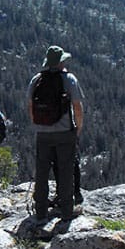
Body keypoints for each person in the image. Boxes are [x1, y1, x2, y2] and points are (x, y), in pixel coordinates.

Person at [27, 45, 84, 221]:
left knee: (42, 171)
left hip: (42, 133)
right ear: (61, 62)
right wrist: (78, 127)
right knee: (66, 170)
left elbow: (30, 105)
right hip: (64, 131)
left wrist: (37, 124)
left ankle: (41, 210)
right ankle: (67, 211)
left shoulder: (37, 79)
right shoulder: (69, 79)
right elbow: (77, 106)